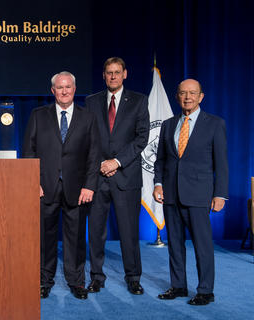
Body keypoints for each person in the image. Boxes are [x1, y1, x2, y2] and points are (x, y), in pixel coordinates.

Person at [23, 71, 100, 300]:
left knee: (75, 238)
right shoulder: (38, 115)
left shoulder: (89, 118)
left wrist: (90, 186)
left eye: (68, 87)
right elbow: (29, 151)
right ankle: (44, 281)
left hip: (78, 189)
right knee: (44, 238)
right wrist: (32, 182)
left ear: (74, 90)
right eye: (60, 87)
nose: (64, 91)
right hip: (44, 187)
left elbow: (94, 155)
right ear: (53, 91)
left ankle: (76, 281)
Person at [153, 79, 228, 306]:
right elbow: (161, 161)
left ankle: (206, 291)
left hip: (198, 195)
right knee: (175, 244)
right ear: (177, 96)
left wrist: (220, 194)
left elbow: (221, 164)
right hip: (171, 196)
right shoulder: (167, 124)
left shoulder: (214, 124)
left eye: (192, 93)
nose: (187, 97)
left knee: (202, 246)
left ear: (201, 97)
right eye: (183, 93)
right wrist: (158, 184)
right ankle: (178, 286)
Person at [84, 57, 149, 295]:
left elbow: (142, 138)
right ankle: (96, 277)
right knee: (96, 231)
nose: (113, 76)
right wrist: (101, 163)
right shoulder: (91, 102)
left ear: (125, 74)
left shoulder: (139, 101)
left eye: (117, 72)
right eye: (109, 72)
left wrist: (117, 161)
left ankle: (133, 277)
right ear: (104, 75)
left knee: (129, 231)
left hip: (126, 177)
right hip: (98, 177)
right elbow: (87, 138)